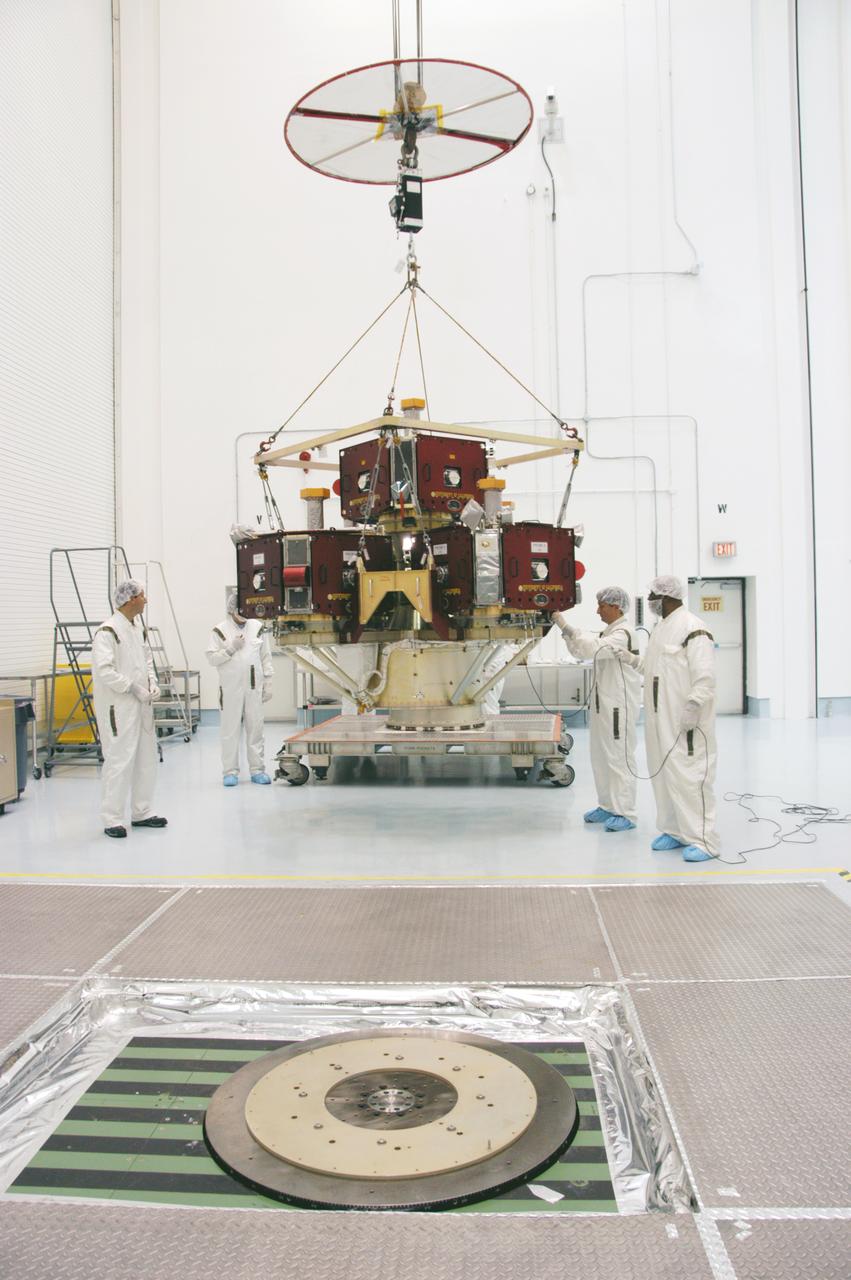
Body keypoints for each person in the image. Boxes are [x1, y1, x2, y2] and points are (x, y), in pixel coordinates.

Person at [629, 575, 720, 862]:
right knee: (664, 773)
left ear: (667, 597)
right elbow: (653, 668)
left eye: (654, 595)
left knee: (689, 776)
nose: (651, 601)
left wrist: (693, 705)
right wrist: (631, 660)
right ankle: (674, 830)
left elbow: (705, 675)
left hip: (685, 719)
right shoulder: (662, 628)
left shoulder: (693, 627)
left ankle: (704, 840)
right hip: (659, 718)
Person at [555, 587, 640, 832]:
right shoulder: (610, 631)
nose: (598, 610)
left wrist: (565, 625)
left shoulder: (623, 633)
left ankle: (625, 813)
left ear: (617, 607)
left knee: (618, 758)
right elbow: (582, 650)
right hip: (604, 706)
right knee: (601, 757)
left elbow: (593, 648)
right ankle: (607, 805)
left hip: (617, 707)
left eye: (602, 605)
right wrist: (566, 631)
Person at [91, 579, 167, 839]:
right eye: (142, 595)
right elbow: (104, 671)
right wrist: (132, 687)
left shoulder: (137, 628)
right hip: (119, 707)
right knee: (119, 760)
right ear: (128, 599)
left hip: (142, 704)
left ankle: (142, 812)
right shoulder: (108, 632)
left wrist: (153, 683)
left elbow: (146, 660)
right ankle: (112, 818)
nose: (145, 599)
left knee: (146, 759)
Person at [206, 592, 274, 786]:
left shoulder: (258, 627)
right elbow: (211, 658)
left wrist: (268, 681)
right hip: (230, 689)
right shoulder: (219, 631)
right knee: (230, 730)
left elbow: (266, 656)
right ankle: (230, 772)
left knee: (256, 729)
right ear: (232, 610)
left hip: (254, 688)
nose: (244, 613)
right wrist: (230, 649)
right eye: (240, 610)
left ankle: (257, 770)